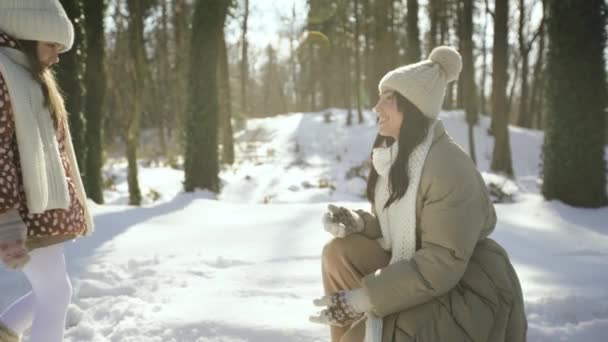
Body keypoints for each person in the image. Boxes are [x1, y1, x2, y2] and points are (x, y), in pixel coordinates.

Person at [309, 46, 527, 342]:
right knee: (339, 252)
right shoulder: (399, 156)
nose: (377, 108)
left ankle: (361, 331)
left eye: (388, 99)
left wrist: (362, 299)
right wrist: (359, 224)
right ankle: (353, 331)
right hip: (422, 271)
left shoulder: (447, 166)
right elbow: (402, 229)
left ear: (412, 106)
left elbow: (441, 263)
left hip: (466, 289)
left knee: (360, 338)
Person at [0, 1, 94, 341]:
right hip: (22, 215)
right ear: (26, 35)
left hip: (40, 211)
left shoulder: (27, 75)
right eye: (51, 44)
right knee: (56, 295)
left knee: (55, 291)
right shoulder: (4, 74)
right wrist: (7, 216)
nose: (57, 55)